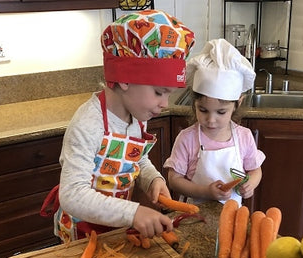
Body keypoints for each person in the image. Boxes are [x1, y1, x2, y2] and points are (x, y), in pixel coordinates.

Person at [41, 10, 195, 243]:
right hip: (81, 233)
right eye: (158, 92)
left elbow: (137, 159)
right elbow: (72, 195)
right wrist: (133, 212)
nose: (165, 104)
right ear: (125, 78)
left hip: (115, 226)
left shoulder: (137, 115)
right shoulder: (88, 123)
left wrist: (153, 179)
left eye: (168, 94)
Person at [163, 38, 265, 207]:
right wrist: (205, 192)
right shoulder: (187, 138)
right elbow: (174, 180)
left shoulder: (244, 137)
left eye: (221, 112)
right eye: (202, 110)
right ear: (194, 103)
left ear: (237, 104)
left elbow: (255, 169)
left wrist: (251, 183)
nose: (210, 120)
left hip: (232, 215)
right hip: (193, 215)